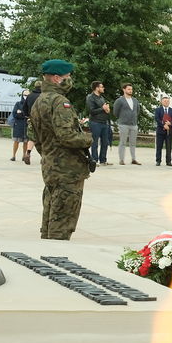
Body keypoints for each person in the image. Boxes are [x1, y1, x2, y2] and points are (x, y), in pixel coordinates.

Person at [29, 60, 93, 240]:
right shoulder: (59, 102)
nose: (70, 80)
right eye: (68, 77)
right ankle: (57, 257)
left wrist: (49, 154)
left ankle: (47, 252)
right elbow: (67, 137)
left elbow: (36, 137)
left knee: (51, 215)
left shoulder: (39, 101)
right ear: (57, 78)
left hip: (50, 165)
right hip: (67, 169)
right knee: (63, 220)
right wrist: (88, 138)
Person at [112, 84, 141, 165]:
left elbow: (137, 111)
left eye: (131, 89)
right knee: (123, 142)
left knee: (133, 142)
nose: (130, 91)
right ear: (124, 90)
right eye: (128, 89)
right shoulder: (119, 100)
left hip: (134, 124)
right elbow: (115, 112)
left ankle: (133, 159)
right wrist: (122, 118)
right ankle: (121, 159)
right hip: (123, 124)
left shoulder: (135, 100)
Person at [85, 81, 113, 166]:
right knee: (95, 142)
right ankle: (94, 160)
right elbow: (91, 111)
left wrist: (107, 110)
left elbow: (104, 109)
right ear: (97, 88)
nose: (103, 88)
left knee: (105, 142)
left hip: (104, 123)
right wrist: (102, 108)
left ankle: (103, 160)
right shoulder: (90, 97)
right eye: (101, 87)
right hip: (95, 122)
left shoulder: (101, 98)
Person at [154, 95, 172, 166]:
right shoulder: (158, 110)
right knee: (159, 146)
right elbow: (157, 119)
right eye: (165, 101)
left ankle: (168, 161)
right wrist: (163, 125)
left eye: (167, 101)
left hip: (169, 132)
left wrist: (170, 123)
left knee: (169, 147)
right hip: (160, 131)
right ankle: (158, 161)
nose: (166, 102)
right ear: (161, 102)